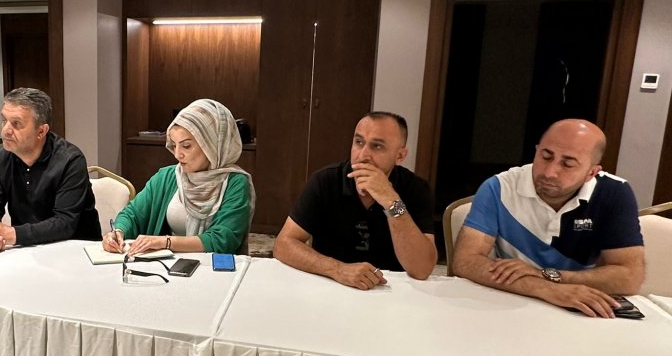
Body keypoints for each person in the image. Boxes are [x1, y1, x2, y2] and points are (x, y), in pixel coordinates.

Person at [453, 119, 644, 318]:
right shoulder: (499, 187)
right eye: (545, 156)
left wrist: (547, 276)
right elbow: (465, 262)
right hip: (511, 303)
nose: (549, 172)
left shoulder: (615, 193)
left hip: (580, 311)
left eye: (567, 164)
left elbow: (630, 277)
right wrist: (546, 289)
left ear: (591, 172)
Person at [273, 111, 436, 289]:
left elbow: (422, 269)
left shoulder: (416, 188)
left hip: (392, 290)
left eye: (377, 146)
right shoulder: (326, 181)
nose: (363, 155)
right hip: (330, 285)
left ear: (400, 156)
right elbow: (283, 245)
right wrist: (338, 269)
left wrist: (391, 202)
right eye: (359, 142)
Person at [103, 99, 255, 256]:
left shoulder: (234, 182)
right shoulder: (167, 177)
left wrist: (165, 242)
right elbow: (133, 214)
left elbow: (223, 239)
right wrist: (118, 231)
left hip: (211, 267)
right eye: (174, 145)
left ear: (212, 144)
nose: (177, 154)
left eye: (186, 146)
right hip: (168, 264)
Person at [0, 88, 99, 251]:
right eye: (4, 120)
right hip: (25, 247)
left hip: (74, 248)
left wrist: (11, 234)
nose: (5, 131)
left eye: (16, 124)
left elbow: (65, 223)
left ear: (41, 131)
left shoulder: (70, 160)